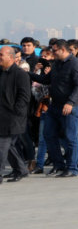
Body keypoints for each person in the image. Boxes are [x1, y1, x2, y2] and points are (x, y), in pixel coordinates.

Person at [29, 39, 78, 177]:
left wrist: (70, 102)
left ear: (63, 50)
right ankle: (59, 165)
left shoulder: (75, 64)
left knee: (70, 137)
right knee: (48, 134)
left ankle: (72, 168)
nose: (52, 53)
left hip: (69, 106)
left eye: (54, 50)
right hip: (55, 106)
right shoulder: (57, 64)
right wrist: (27, 74)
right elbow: (46, 80)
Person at [0, 46, 31, 184]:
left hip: (13, 117)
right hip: (2, 116)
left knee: (2, 146)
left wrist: (16, 113)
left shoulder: (20, 74)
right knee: (9, 146)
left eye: (1, 55)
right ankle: (21, 169)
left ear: (11, 58)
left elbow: (24, 97)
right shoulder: (1, 72)